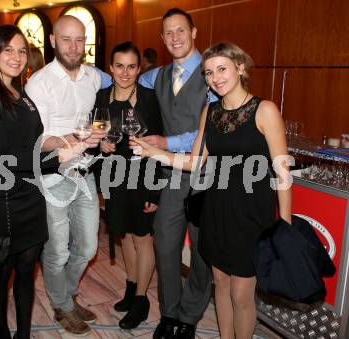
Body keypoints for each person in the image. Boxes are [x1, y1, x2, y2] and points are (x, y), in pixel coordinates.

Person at [133, 42, 292, 339]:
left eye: (222, 69)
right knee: (220, 282)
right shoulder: (211, 111)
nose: (215, 78)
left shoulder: (264, 110)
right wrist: (152, 152)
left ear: (240, 68)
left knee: (242, 294)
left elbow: (282, 171)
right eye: (208, 73)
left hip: (251, 214)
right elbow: (194, 163)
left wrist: (284, 223)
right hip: (215, 209)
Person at [0, 24, 84, 339]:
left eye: (21, 50)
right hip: (3, 199)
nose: (16, 57)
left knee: (26, 271)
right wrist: (57, 159)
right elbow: (2, 156)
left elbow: (33, 141)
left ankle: (23, 334)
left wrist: (61, 142)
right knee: (2, 270)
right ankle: (3, 333)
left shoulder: (22, 94)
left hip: (33, 194)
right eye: (8, 49)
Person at [25, 15, 107, 336]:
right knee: (57, 249)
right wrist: (72, 139)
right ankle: (61, 305)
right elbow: (39, 138)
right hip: (51, 175)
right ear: (53, 41)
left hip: (83, 171)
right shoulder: (39, 83)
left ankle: (67, 295)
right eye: (66, 39)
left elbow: (100, 116)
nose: (74, 47)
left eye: (79, 40)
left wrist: (100, 134)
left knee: (87, 248)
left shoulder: (93, 79)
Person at [136, 8, 213, 338]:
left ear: (194, 32)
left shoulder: (212, 72)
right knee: (165, 240)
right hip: (171, 171)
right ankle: (169, 312)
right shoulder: (158, 76)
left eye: (181, 30)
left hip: (207, 172)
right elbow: (127, 79)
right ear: (162, 39)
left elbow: (207, 130)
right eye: (168, 33)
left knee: (201, 248)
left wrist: (165, 141)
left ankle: (190, 315)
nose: (175, 38)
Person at [95, 41, 163, 330]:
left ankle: (141, 299)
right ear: (111, 68)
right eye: (119, 66)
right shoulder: (101, 96)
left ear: (139, 68)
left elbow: (159, 142)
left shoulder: (149, 98)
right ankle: (131, 286)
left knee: (143, 237)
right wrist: (101, 145)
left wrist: (155, 189)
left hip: (143, 174)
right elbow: (97, 133)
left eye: (131, 66)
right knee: (126, 236)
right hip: (115, 175)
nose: (125, 72)